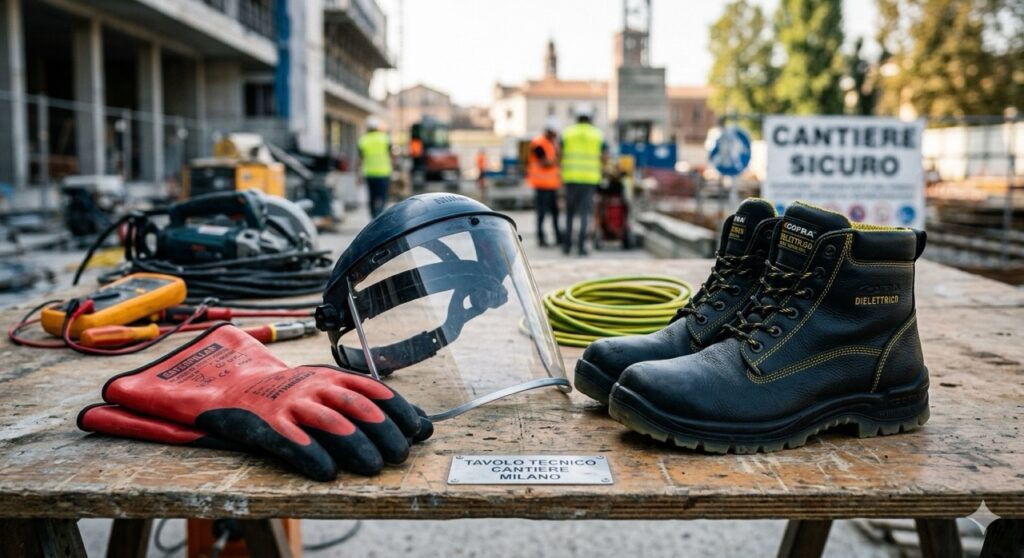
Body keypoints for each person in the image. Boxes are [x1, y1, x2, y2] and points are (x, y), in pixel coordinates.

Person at [560, 104, 607, 256]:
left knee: (569, 213)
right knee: (585, 214)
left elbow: (558, 154)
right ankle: (581, 246)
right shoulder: (597, 134)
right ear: (590, 118)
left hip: (571, 178)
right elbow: (605, 156)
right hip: (590, 180)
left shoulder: (567, 133)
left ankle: (567, 245)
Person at [527, 116, 563, 247]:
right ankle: (541, 238)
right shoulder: (539, 143)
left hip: (552, 185)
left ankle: (558, 236)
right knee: (541, 213)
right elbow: (544, 162)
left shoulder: (552, 143)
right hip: (541, 185)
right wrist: (557, 159)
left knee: (555, 212)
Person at [357, 116, 393, 218]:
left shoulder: (363, 140)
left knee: (372, 197)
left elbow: (360, 159)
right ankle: (380, 214)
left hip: (370, 173)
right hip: (384, 172)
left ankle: (373, 216)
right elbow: (392, 155)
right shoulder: (385, 138)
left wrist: (358, 174)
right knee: (383, 196)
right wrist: (394, 167)